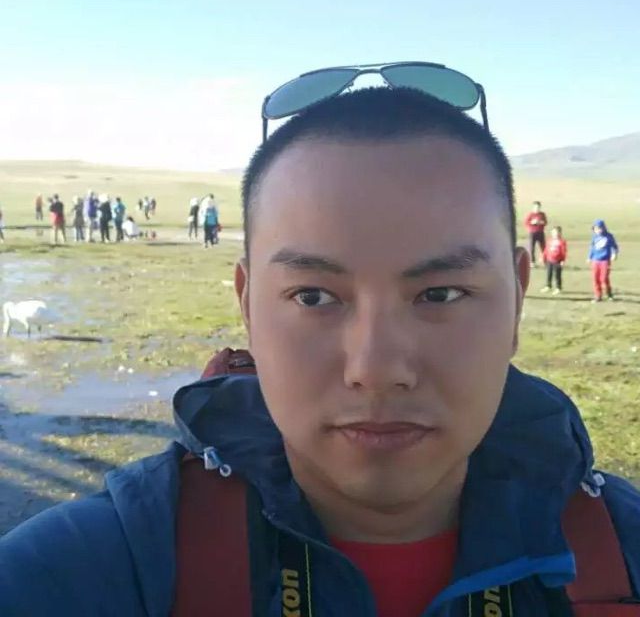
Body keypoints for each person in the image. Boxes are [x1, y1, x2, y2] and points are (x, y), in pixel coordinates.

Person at [1, 77, 639, 617]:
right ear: (248, 306)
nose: (376, 370)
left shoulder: (625, 558)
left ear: (518, 298)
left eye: (440, 294)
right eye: (313, 296)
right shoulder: (81, 573)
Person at [588, 219, 619, 302]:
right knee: (595, 278)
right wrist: (589, 257)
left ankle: (609, 293)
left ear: (604, 228)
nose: (598, 230)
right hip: (595, 260)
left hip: (605, 261)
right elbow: (592, 248)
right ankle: (598, 295)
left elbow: (614, 246)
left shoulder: (609, 236)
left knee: (604, 278)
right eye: (596, 229)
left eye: (599, 228)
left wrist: (614, 254)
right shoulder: (594, 237)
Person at [541, 226, 567, 294]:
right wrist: (543, 258)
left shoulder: (562, 242)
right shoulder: (549, 241)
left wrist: (563, 260)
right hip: (549, 260)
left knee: (557, 275)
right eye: (554, 233)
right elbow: (546, 250)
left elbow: (564, 252)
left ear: (560, 233)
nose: (555, 234)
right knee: (549, 274)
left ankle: (558, 287)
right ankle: (548, 286)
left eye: (557, 232)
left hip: (558, 261)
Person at [524, 200, 547, 267]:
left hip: (540, 232)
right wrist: (532, 222)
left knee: (543, 247)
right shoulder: (530, 214)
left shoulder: (542, 214)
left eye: (538, 207)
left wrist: (542, 222)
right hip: (532, 233)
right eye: (536, 207)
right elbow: (526, 223)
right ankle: (532, 262)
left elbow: (545, 222)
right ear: (533, 207)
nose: (537, 209)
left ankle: (545, 260)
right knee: (532, 247)